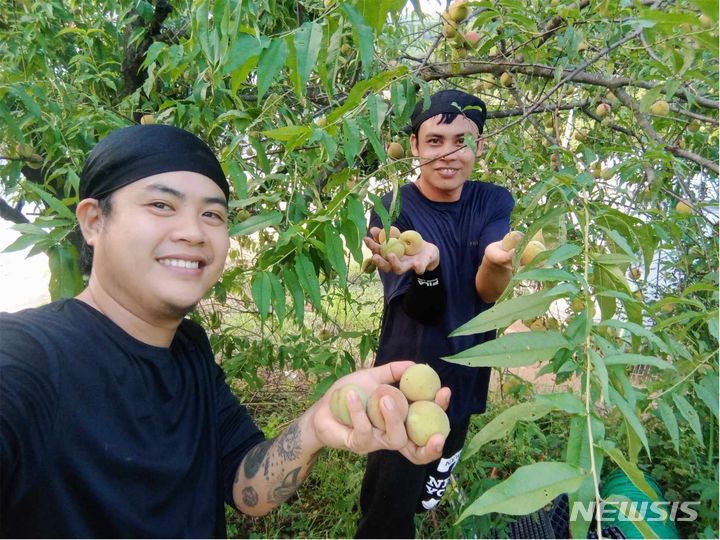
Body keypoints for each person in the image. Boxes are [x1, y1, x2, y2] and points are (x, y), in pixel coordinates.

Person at [0, 124, 450, 538]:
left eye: (213, 215)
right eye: (162, 205)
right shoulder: (27, 359)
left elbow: (244, 485)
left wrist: (315, 426)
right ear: (94, 221)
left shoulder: (188, 348)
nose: (194, 232)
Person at [356, 89, 515, 538]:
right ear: (415, 148)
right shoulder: (393, 208)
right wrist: (430, 267)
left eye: (461, 141)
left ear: (479, 146)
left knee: (430, 487)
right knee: (386, 512)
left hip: (465, 375)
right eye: (435, 141)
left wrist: (495, 263)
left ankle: (422, 501)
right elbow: (424, 310)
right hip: (407, 381)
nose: (448, 153)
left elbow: (488, 292)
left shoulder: (493, 201)